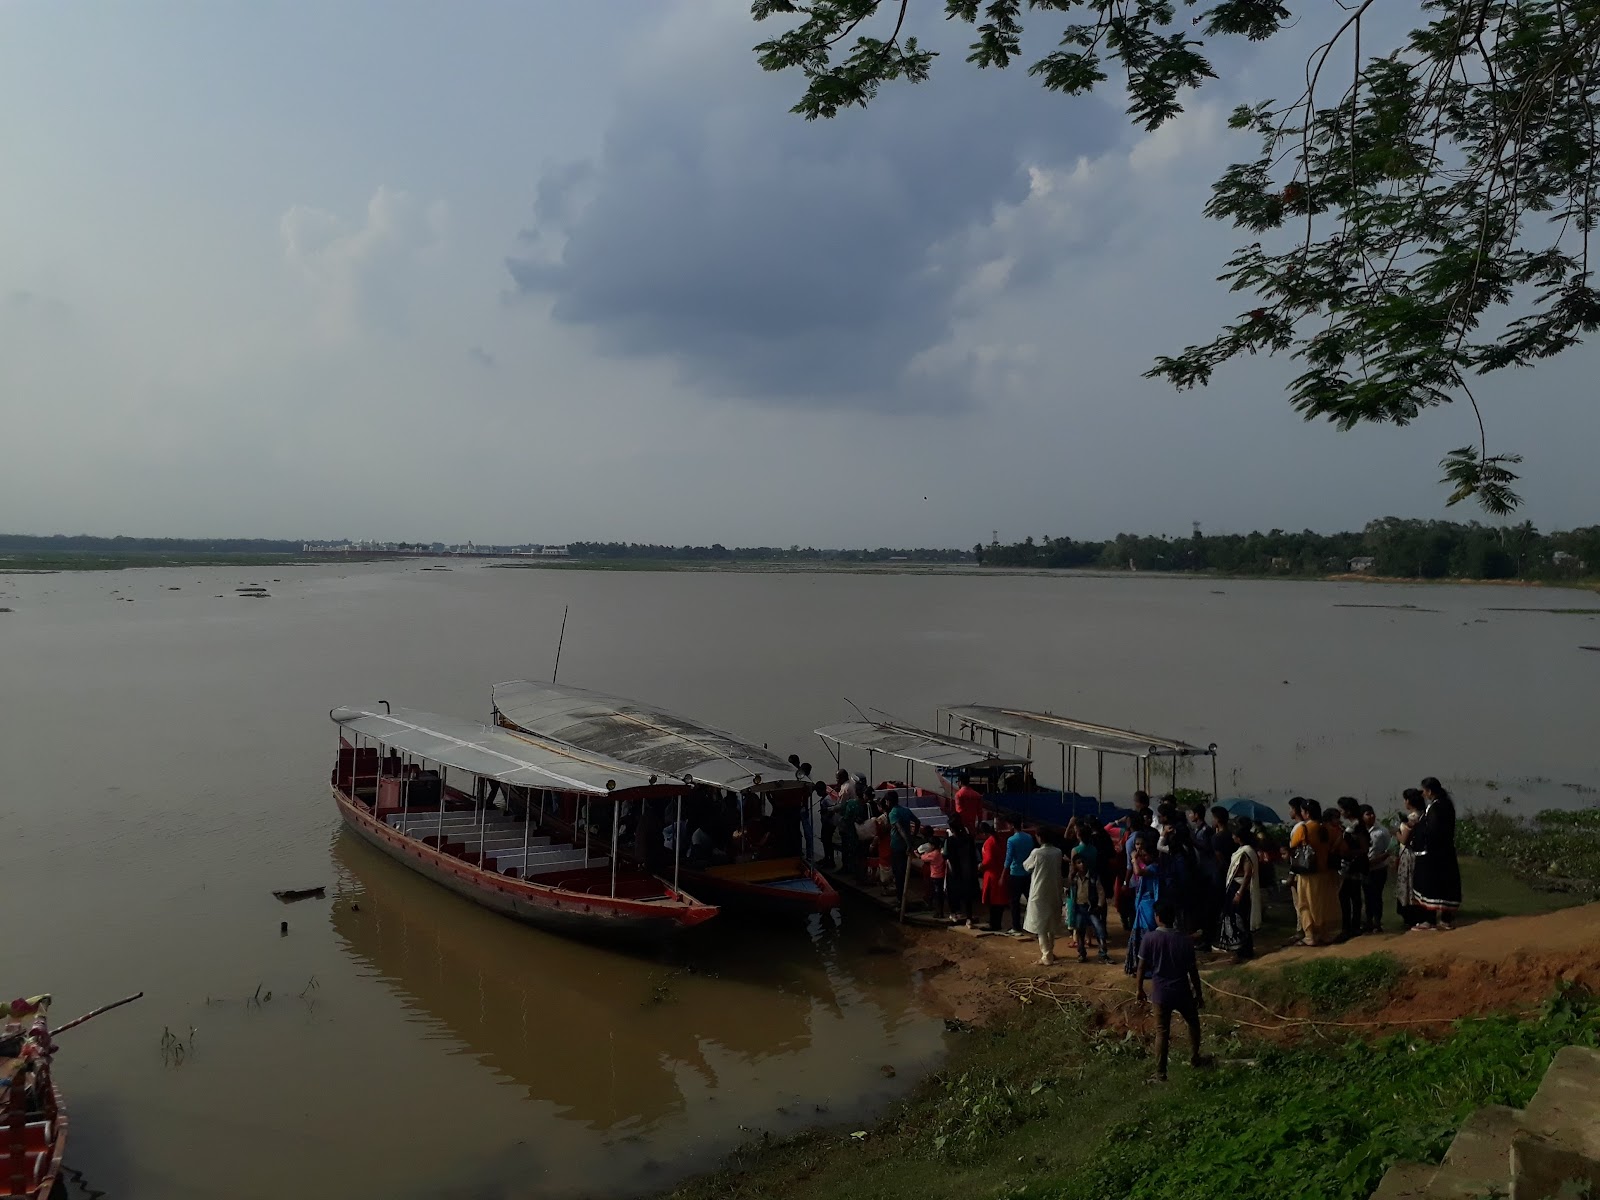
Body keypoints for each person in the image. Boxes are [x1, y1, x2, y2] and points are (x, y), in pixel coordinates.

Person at [1136, 900, 1205, 1083]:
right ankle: (1195, 1057)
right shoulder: (1184, 940)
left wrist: (1139, 990)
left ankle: (1160, 1073)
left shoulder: (1149, 939)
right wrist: (1199, 993)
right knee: (1193, 1023)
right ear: (1174, 918)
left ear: (1157, 918)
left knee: (1162, 1032)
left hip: (1161, 993)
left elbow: (1141, 968)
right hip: (1182, 990)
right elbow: (1193, 971)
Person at [1410, 777, 1462, 931]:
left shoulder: (1437, 807)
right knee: (1445, 884)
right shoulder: (1446, 804)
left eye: (1424, 791)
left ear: (1430, 791)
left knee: (1430, 884)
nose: (1423, 794)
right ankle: (1445, 920)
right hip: (1445, 851)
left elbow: (1432, 830)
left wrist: (1418, 828)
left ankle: (1429, 921)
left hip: (1434, 854)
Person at [1290, 799, 1343, 946]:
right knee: (1322, 904)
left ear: (1306, 813)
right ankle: (1324, 934)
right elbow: (1338, 841)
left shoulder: (1303, 829)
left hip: (1308, 873)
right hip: (1325, 872)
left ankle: (1310, 935)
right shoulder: (1327, 828)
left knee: (1306, 904)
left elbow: (1292, 844)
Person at [1023, 829, 1067, 965]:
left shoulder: (1037, 853)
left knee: (1041, 925)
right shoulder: (1058, 852)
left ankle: (1046, 955)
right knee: (1051, 923)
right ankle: (1050, 951)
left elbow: (1026, 866)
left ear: (1040, 837)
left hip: (1039, 891)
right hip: (1054, 890)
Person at [1220, 818, 1261, 961]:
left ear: (1239, 837)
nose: (1232, 837)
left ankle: (1242, 951)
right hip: (1234, 887)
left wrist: (1239, 893)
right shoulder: (1242, 850)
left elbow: (1248, 874)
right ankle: (1239, 950)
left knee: (1240, 920)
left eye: (1234, 835)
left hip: (1240, 888)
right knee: (1233, 918)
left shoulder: (1247, 851)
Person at [1068, 826, 1110, 962]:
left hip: (1090, 906)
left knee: (1095, 929)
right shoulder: (1093, 850)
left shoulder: (1076, 851)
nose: (1081, 865)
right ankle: (1083, 952)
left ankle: (1101, 953)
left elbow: (1101, 891)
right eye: (1078, 863)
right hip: (1082, 906)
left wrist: (1099, 904)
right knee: (1084, 929)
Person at [1124, 839, 1161, 975]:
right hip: (1144, 905)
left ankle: (1146, 969)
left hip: (1149, 906)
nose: (1143, 858)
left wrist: (1134, 859)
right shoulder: (1153, 866)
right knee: (1140, 936)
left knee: (1147, 936)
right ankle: (1139, 966)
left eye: (1145, 855)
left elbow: (1138, 872)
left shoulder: (1153, 867)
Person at [1335, 797, 1370, 939]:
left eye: (1342, 809)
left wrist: (1348, 853)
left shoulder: (1357, 826)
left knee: (1347, 895)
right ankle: (1352, 926)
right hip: (1352, 864)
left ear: (1348, 811)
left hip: (1354, 865)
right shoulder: (1355, 825)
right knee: (1352, 895)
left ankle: (1350, 927)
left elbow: (1364, 848)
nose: (1341, 812)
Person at [1394, 789, 1425, 929]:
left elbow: (1404, 839)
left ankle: (1410, 914)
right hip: (1416, 854)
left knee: (1407, 883)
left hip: (1408, 854)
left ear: (1409, 801)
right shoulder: (1423, 814)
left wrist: (1395, 832)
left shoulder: (1412, 817)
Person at [1361, 804, 1393, 933]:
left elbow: (1389, 849)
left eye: (1372, 813)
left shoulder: (1381, 831)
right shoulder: (1358, 831)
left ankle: (1377, 922)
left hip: (1379, 869)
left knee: (1376, 895)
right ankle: (1368, 921)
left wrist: (1378, 860)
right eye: (1368, 814)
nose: (1372, 816)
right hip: (1364, 869)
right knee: (1367, 896)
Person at [885, 789, 920, 904]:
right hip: (905, 847)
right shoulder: (905, 810)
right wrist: (913, 837)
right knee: (903, 872)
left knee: (898, 872)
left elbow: (900, 829)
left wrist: (909, 843)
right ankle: (902, 896)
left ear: (889, 801)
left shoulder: (893, 813)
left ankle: (900, 898)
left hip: (897, 847)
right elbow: (917, 822)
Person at [944, 818, 979, 927]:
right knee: (967, 895)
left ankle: (953, 914)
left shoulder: (949, 841)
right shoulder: (969, 838)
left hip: (954, 870)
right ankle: (969, 918)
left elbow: (946, 856)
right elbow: (974, 855)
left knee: (952, 892)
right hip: (968, 871)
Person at [1005, 820, 1036, 936]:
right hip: (1027, 873)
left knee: (1014, 902)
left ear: (1012, 825)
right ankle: (1032, 925)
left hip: (1015, 873)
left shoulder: (1011, 840)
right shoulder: (1028, 838)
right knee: (1030, 900)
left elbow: (1008, 859)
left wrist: (1003, 874)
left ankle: (1016, 926)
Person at [978, 822, 1011, 931]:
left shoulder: (989, 842)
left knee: (992, 901)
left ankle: (994, 924)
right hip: (1001, 872)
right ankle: (996, 922)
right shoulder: (1000, 840)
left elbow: (988, 860)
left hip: (992, 875)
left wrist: (980, 866)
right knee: (999, 901)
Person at [918, 840, 948, 918]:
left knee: (936, 894)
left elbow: (922, 857)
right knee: (939, 895)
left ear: (933, 846)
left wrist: (916, 853)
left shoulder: (933, 854)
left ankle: (938, 912)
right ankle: (940, 912)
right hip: (941, 876)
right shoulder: (941, 853)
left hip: (935, 876)